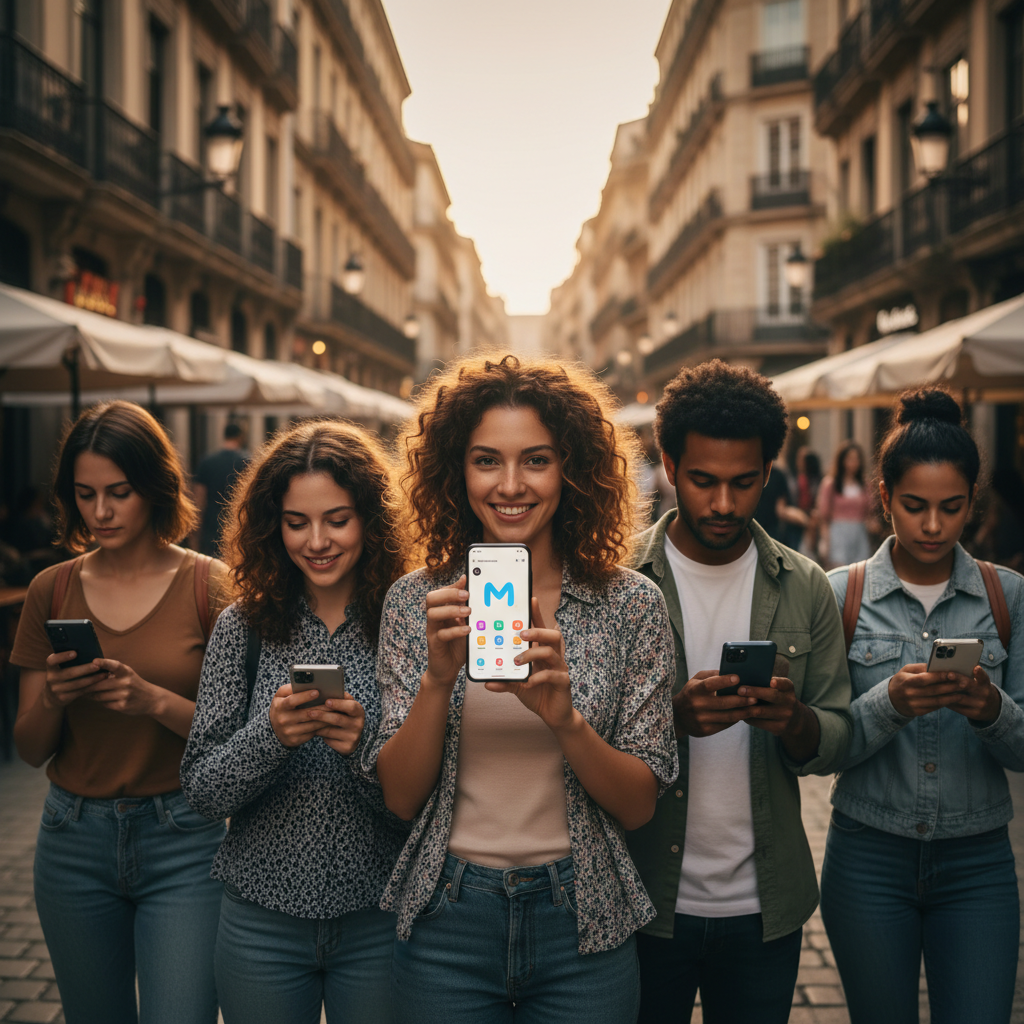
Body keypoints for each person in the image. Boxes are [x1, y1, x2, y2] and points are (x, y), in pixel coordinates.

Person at [367, 354, 678, 1024]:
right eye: (486, 461)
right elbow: (398, 797)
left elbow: (639, 806)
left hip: (583, 919)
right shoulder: (415, 602)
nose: (510, 485)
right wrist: (436, 680)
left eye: (536, 460)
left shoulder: (631, 605)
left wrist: (566, 721)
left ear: (573, 469)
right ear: (456, 470)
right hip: (448, 915)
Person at [624, 359, 853, 1024]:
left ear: (767, 473)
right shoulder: (620, 581)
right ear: (669, 465)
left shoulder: (805, 585)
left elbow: (836, 735)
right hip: (643, 904)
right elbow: (580, 739)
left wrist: (796, 721)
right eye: (703, 481)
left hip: (765, 910)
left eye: (743, 483)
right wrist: (672, 721)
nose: (723, 504)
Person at [180, 420, 409, 1024]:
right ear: (271, 525)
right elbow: (202, 790)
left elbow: (429, 806)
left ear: (372, 518)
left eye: (338, 519)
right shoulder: (245, 626)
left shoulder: (405, 624)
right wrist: (270, 737)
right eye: (296, 522)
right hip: (260, 922)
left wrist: (363, 749)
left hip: (380, 917)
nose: (317, 541)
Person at [10, 400, 231, 1024]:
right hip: (72, 839)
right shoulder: (51, 589)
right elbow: (29, 749)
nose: (100, 512)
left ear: (155, 488)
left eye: (119, 492)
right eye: (85, 494)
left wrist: (151, 700)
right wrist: (54, 697)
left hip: (184, 838)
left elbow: (239, 738)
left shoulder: (210, 587)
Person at [820, 388, 1024, 1024]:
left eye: (951, 508)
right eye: (914, 507)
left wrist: (991, 708)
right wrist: (890, 702)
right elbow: (818, 746)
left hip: (978, 859)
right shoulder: (839, 595)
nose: (932, 526)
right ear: (884, 499)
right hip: (867, 855)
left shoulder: (1007, 596)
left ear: (972, 504)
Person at [194, 422, 248, 557]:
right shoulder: (247, 462)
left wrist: (195, 533)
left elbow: (199, 499)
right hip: (237, 525)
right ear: (240, 437)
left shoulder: (207, 462)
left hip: (211, 525)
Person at [817, 441, 873, 568]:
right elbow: (824, 517)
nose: (853, 463)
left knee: (860, 571)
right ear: (842, 460)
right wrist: (825, 541)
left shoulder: (864, 484)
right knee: (839, 570)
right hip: (838, 532)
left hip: (859, 532)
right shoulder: (831, 484)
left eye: (856, 459)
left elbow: (870, 511)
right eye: (850, 458)